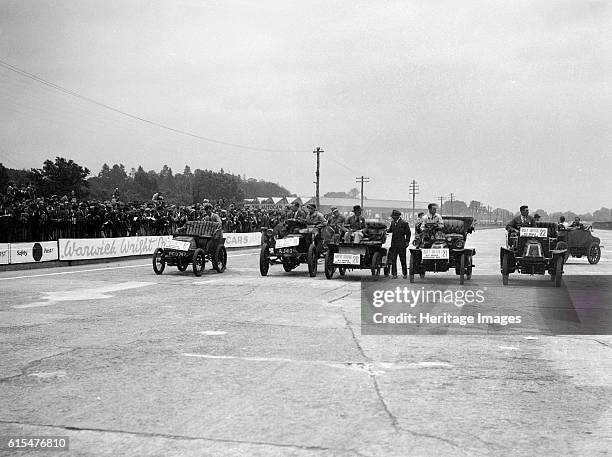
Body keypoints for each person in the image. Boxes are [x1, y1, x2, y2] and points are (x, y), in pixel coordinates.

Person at [387, 210, 411, 279]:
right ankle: (394, 274)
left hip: (402, 244)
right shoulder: (392, 223)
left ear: (398, 216)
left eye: (393, 216)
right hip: (394, 244)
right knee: (393, 259)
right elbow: (390, 230)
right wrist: (385, 230)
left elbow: (408, 233)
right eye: (392, 216)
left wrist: (407, 242)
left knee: (402, 259)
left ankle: (405, 274)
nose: (392, 218)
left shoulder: (404, 223)